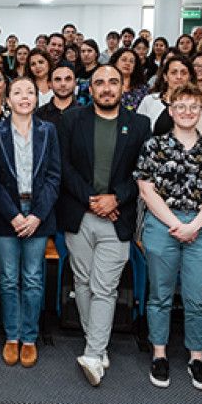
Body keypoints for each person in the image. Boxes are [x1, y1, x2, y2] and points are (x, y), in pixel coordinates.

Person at [56, 65, 150, 386]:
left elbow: (141, 172)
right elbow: (64, 167)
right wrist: (95, 200)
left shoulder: (139, 125)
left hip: (117, 217)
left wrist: (116, 199)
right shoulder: (71, 120)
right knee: (82, 280)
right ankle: (95, 340)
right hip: (80, 214)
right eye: (100, 83)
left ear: (123, 87)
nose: (106, 88)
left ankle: (95, 354)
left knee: (105, 286)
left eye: (113, 82)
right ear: (90, 89)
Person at [134, 83, 202, 391]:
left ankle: (196, 357)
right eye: (181, 106)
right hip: (163, 224)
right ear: (171, 111)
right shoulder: (154, 146)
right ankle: (159, 354)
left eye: (194, 107)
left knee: (198, 297)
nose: (187, 112)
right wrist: (176, 223)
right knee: (160, 294)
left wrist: (194, 226)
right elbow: (146, 190)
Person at [0, 77, 60, 368]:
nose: (24, 97)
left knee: (32, 278)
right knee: (8, 279)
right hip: (6, 212)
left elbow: (55, 177)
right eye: (17, 92)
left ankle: (29, 337)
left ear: (37, 98)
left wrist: (35, 216)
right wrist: (15, 216)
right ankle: (12, 336)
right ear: (8, 100)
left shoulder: (49, 130)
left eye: (29, 92)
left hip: (38, 212)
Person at [137, 55, 195, 135]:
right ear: (165, 77)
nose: (179, 77)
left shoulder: (196, 104)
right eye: (173, 73)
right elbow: (138, 131)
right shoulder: (150, 101)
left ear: (190, 77)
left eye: (184, 73)